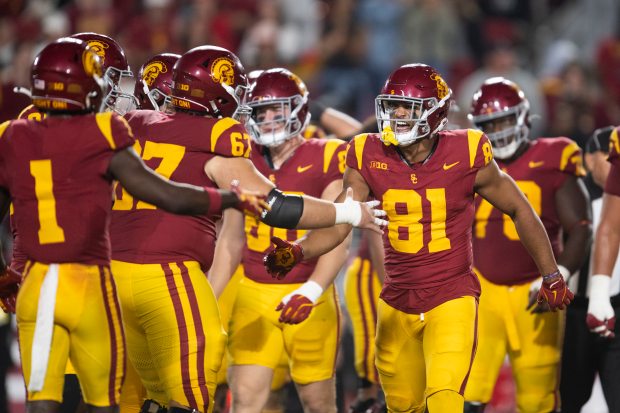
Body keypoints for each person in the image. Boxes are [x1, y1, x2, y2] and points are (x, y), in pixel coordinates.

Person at [263, 63, 573, 412]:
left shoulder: (467, 151)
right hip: (397, 302)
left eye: (407, 107)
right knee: (402, 406)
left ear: (435, 112)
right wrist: (298, 250)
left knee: (445, 401)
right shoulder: (367, 152)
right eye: (392, 105)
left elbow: (520, 209)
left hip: (451, 298)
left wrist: (551, 272)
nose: (396, 115)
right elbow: (341, 221)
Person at [0, 37, 269, 413]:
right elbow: (169, 195)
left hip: (40, 282)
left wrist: (9, 272)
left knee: (53, 402)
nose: (116, 90)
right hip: (93, 281)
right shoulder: (105, 133)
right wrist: (231, 198)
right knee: (102, 400)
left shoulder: (15, 132)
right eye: (107, 77)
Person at [109, 51, 385, 413]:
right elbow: (276, 208)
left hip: (114, 273)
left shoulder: (136, 120)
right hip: (169, 278)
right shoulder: (223, 135)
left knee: (150, 395)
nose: (257, 114)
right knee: (194, 395)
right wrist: (350, 211)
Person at [207, 67, 352, 413]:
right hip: (253, 292)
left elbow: (337, 234)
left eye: (278, 111)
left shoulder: (328, 153)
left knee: (318, 404)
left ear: (299, 111)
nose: (269, 120)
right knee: (244, 402)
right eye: (260, 112)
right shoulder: (242, 158)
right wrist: (208, 299)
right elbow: (230, 238)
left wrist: (312, 290)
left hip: (307, 289)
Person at [463, 77, 591, 413]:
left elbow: (580, 228)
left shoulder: (553, 155)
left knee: (538, 399)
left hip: (536, 289)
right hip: (482, 289)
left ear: (523, 117)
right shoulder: (468, 165)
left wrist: (558, 273)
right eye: (490, 124)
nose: (499, 130)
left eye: (504, 120)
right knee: (464, 392)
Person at [560, 125, 620, 412]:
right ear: (589, 158)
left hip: (616, 307)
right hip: (575, 309)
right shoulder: (569, 193)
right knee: (568, 396)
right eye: (609, 155)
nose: (614, 162)